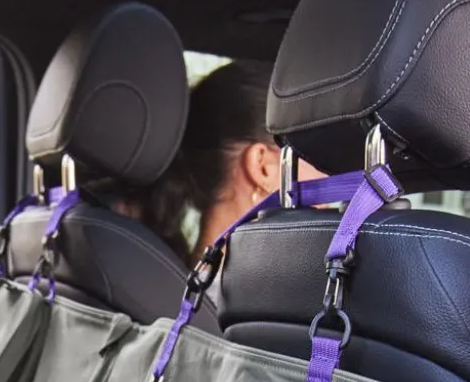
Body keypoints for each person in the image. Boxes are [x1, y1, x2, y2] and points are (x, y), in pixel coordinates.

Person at [119, 59, 323, 266]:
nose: (331, 175)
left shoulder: (168, 285)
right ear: (264, 167)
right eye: (318, 157)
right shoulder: (275, 294)